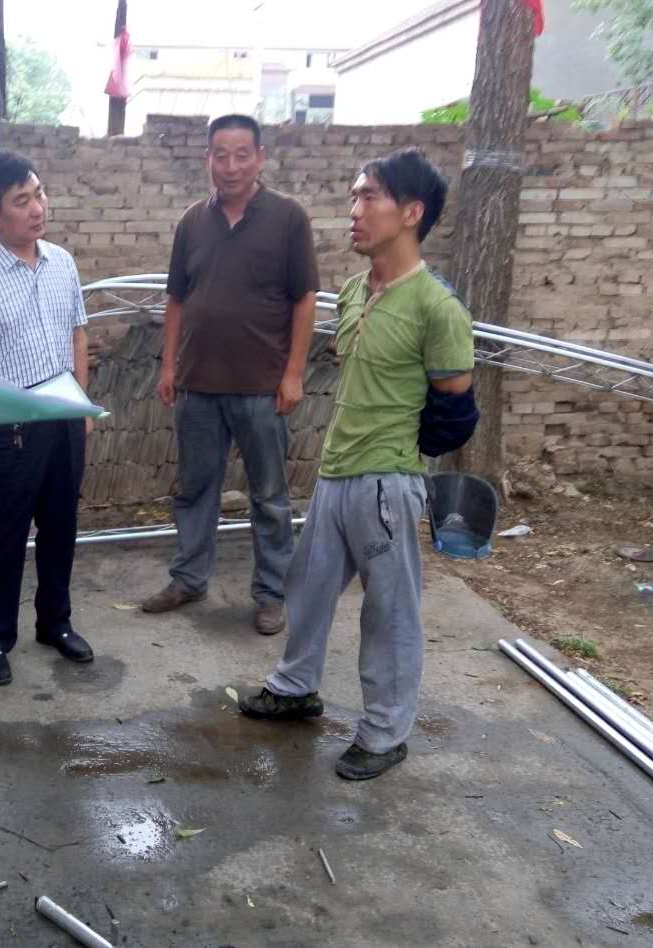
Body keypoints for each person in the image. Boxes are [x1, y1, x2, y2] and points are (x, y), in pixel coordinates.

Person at [238, 148, 476, 781]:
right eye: (353, 196)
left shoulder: (437, 307)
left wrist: (403, 459)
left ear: (412, 212)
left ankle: (385, 733)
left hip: (387, 482)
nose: (354, 210)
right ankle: (295, 688)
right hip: (335, 472)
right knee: (307, 589)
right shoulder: (350, 293)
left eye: (369, 196)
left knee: (389, 612)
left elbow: (456, 409)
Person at [141, 114, 320, 636]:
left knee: (269, 496)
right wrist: (169, 366)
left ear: (260, 158)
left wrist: (294, 373)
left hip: (262, 387)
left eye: (242, 154)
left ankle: (271, 593)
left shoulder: (288, 217)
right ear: (208, 160)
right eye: (221, 155)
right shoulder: (192, 221)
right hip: (198, 383)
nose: (231, 165)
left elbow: (305, 299)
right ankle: (189, 578)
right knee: (195, 489)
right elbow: (177, 299)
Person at [0, 149, 94, 687]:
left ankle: (55, 622)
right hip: (7, 426)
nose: (37, 208)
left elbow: (78, 335)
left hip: (62, 416)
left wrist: (81, 404)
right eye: (21, 200)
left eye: (39, 193)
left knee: (61, 525)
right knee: (2, 535)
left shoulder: (61, 263)